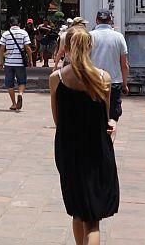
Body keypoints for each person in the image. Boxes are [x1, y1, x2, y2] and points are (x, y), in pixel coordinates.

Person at [49, 28, 119, 245]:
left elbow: (58, 120)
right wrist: (113, 128)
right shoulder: (103, 78)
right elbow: (105, 118)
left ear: (66, 48)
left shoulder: (57, 79)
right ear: (91, 47)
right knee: (93, 223)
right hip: (97, 150)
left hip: (69, 151)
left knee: (77, 213)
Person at [89, 9, 129, 122]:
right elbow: (124, 64)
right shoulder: (118, 37)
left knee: (94, 115)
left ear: (96, 20)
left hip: (93, 81)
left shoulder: (89, 36)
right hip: (114, 82)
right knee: (112, 117)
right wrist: (125, 84)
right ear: (110, 20)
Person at [0, 16, 33, 111]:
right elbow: (28, 48)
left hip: (9, 63)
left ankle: (14, 104)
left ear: (10, 24)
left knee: (9, 84)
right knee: (22, 81)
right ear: (19, 24)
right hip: (20, 63)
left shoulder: (5, 34)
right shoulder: (24, 33)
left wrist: (1, 61)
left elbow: (2, 49)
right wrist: (30, 60)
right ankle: (20, 94)